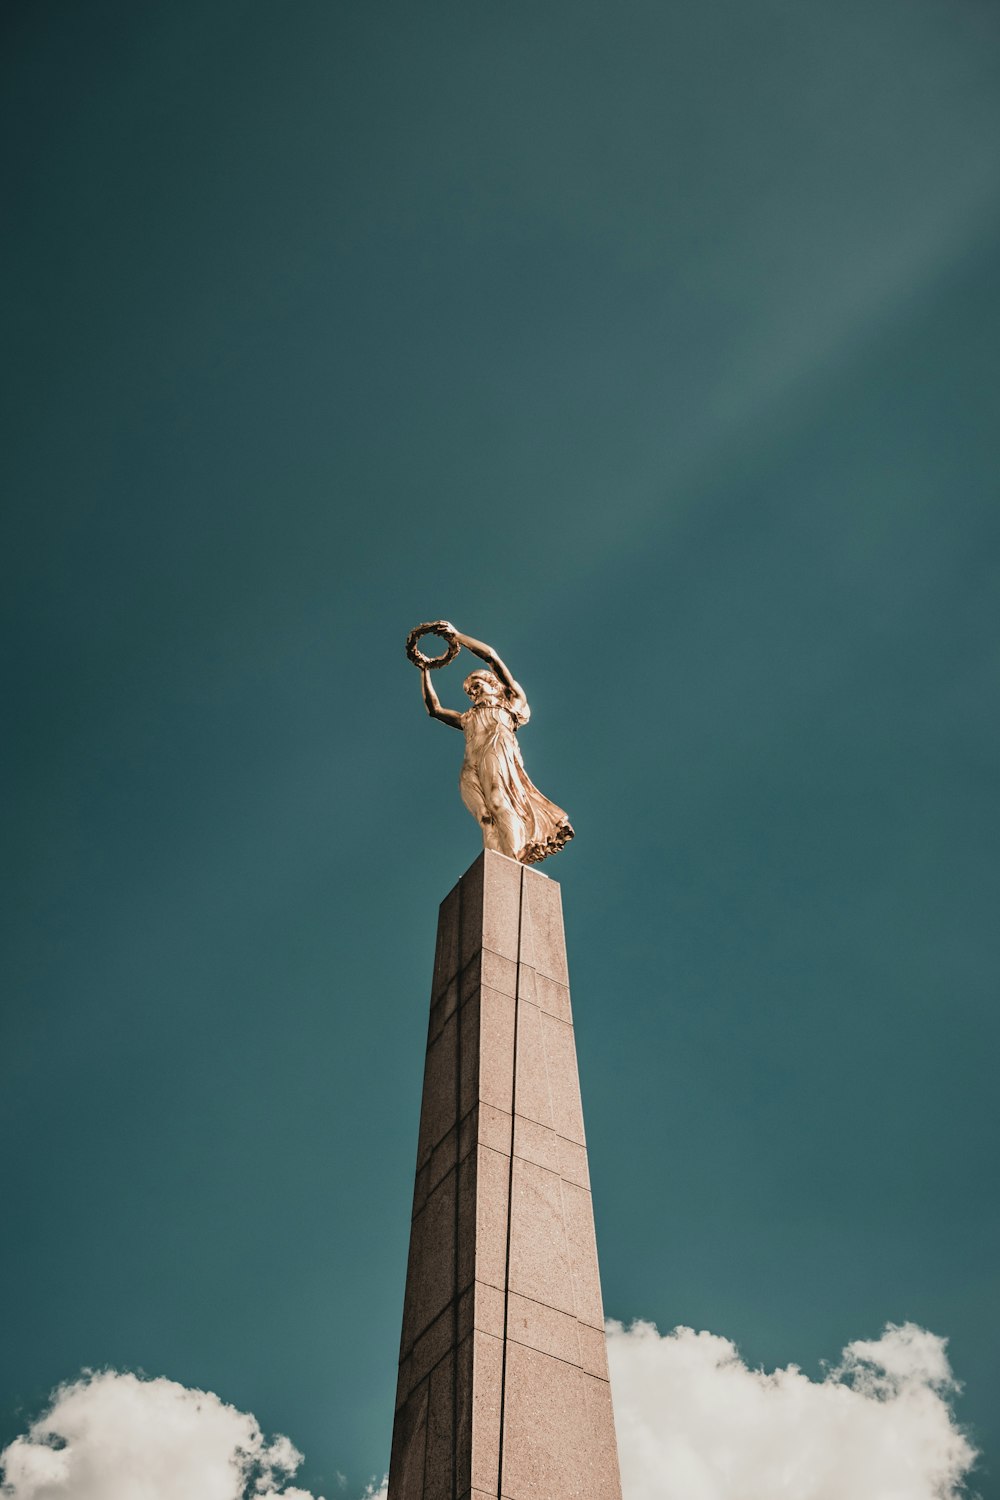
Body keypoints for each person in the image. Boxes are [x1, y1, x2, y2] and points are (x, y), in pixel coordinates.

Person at [419, 624, 574, 865]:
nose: (472, 692)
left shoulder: (511, 702)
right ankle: (494, 865)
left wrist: (456, 636)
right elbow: (434, 710)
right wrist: (424, 670)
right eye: (469, 691)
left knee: (499, 802)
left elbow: (491, 656)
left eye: (476, 685)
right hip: (471, 763)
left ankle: (514, 857)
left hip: (497, 751)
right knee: (484, 816)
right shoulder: (467, 717)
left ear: (493, 684)